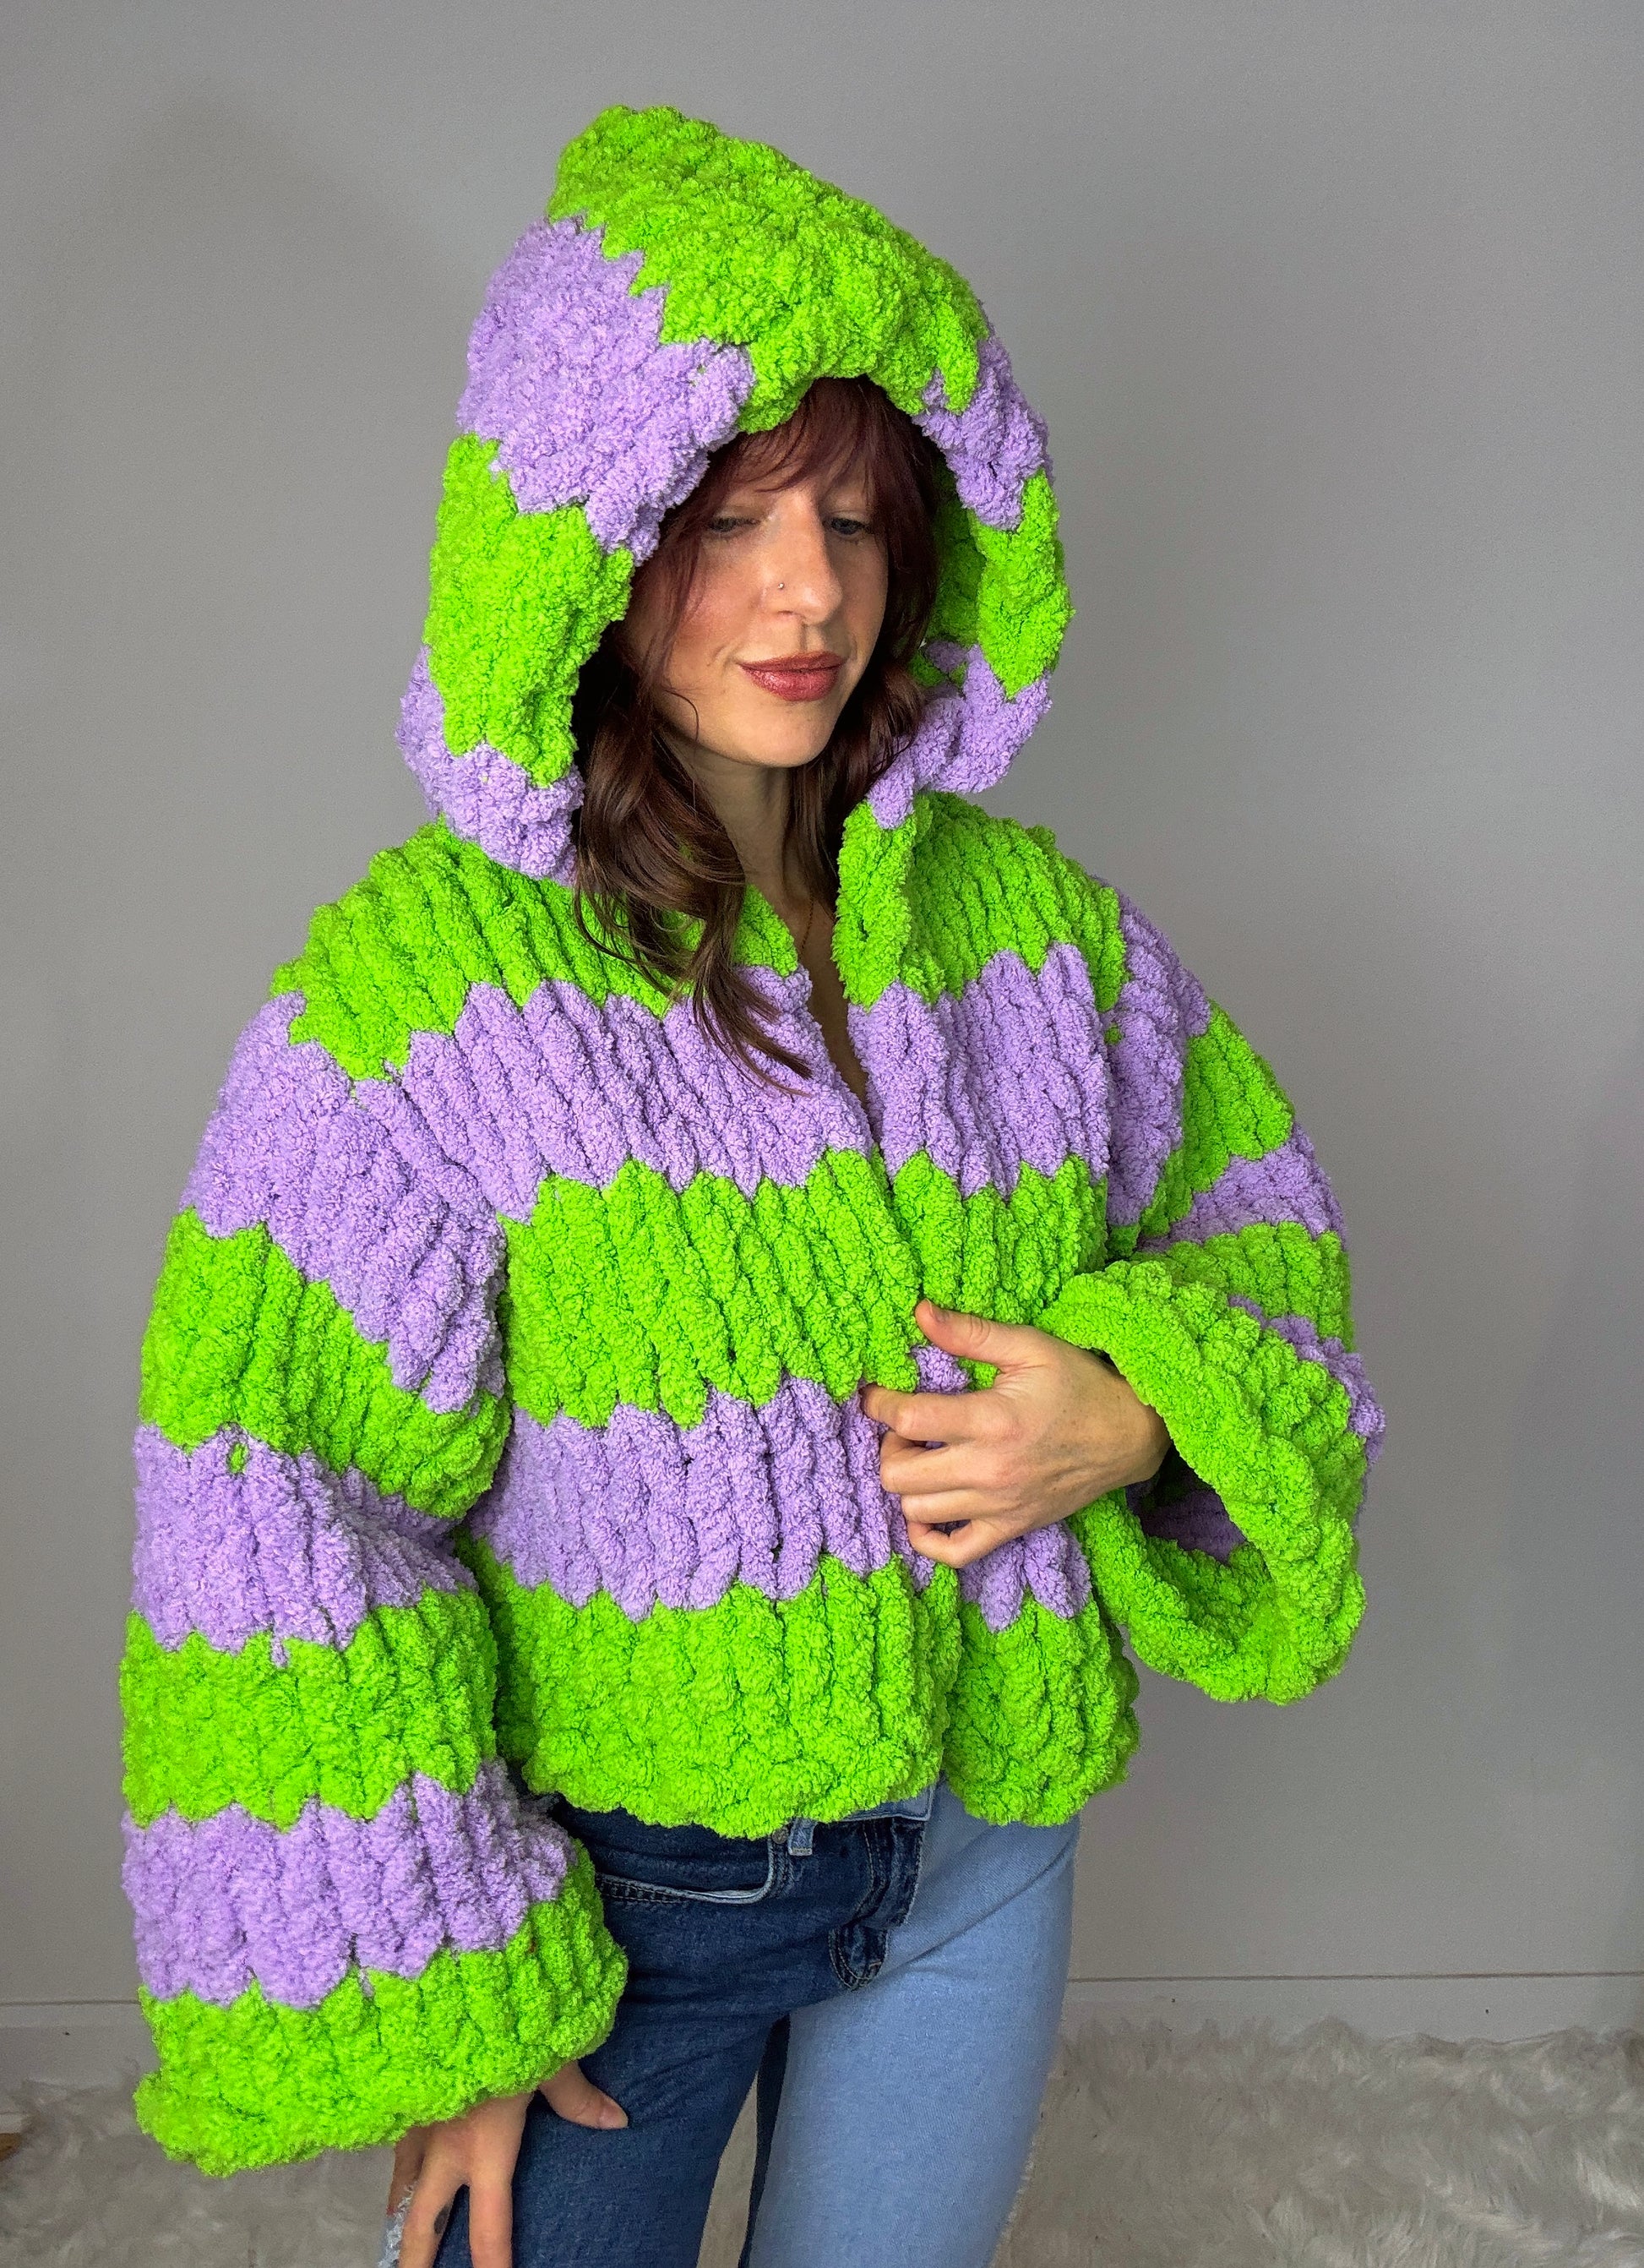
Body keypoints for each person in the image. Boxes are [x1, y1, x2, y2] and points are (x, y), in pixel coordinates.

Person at [119, 103, 1383, 2268]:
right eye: (726, 520)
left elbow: (1259, 1231)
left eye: (857, 519)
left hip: (979, 1860)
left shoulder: (1036, 938)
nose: (809, 591)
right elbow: (274, 1492)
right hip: (626, 1907)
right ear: (583, 541)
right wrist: (450, 1991)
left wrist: (1134, 1401)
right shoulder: (417, 1002)